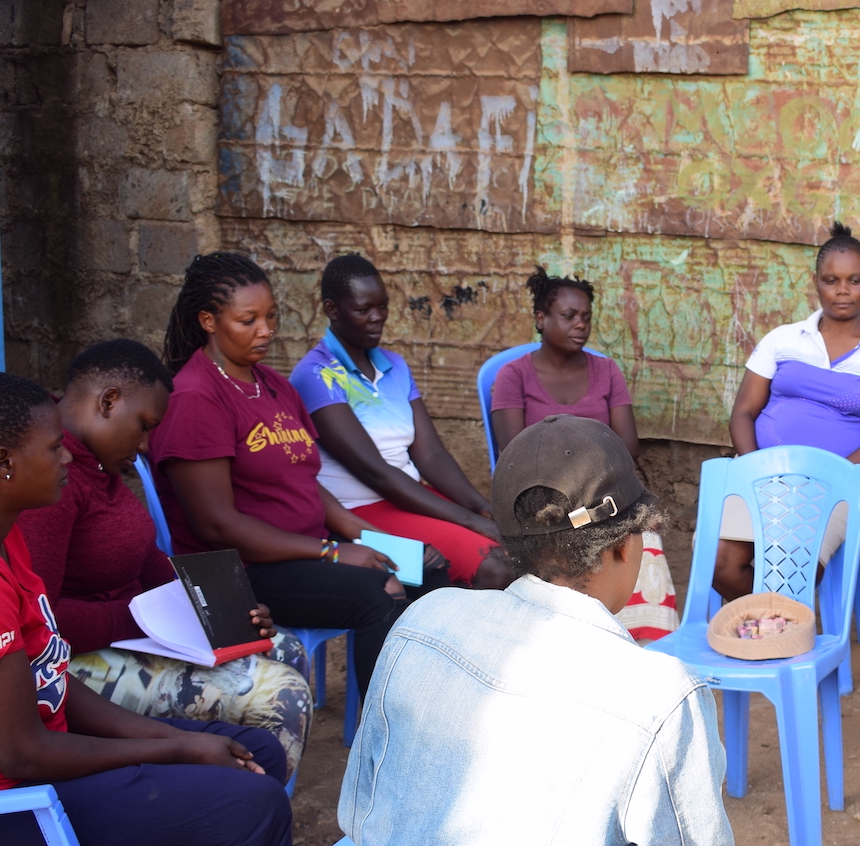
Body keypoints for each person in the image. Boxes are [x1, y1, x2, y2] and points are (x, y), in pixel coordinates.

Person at [338, 415, 757, 846]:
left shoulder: (422, 621)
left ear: (512, 545)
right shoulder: (660, 694)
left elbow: (357, 815)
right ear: (628, 547)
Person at [0, 372, 292, 846]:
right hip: (20, 817)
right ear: (4, 462)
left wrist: (170, 737)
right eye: (54, 448)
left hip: (44, 773)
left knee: (256, 754)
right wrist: (176, 746)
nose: (66, 459)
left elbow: (53, 685)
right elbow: (22, 752)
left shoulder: (10, 540)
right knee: (254, 805)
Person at [17, 340, 311, 776]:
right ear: (108, 402)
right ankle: (250, 806)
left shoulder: (98, 467)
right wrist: (151, 620)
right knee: (281, 693)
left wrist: (224, 612)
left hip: (129, 636)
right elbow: (45, 624)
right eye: (143, 426)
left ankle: (250, 798)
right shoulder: (52, 484)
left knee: (284, 648)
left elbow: (143, 560)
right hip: (77, 665)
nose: (144, 444)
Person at [149, 252, 405, 701]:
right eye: (248, 320)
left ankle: (424, 710)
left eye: (270, 316)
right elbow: (217, 525)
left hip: (308, 550)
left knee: (431, 569)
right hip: (247, 570)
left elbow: (305, 479)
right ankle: (383, 734)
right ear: (208, 320)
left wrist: (366, 536)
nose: (265, 330)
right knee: (380, 594)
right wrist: (331, 551)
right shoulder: (196, 398)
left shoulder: (272, 385)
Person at [716, 222, 860, 600]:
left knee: (794, 569)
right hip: (760, 476)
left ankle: (766, 630)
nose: (843, 290)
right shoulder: (782, 340)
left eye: (854, 280)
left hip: (832, 489)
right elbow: (744, 412)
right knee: (721, 561)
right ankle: (769, 624)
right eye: (831, 280)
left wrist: (829, 480)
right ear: (816, 282)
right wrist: (754, 468)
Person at [292, 253, 508, 589]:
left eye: (383, 306)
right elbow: (373, 471)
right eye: (363, 310)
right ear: (332, 310)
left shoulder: (394, 365)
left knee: (517, 549)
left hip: (409, 497)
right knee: (496, 565)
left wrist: (480, 508)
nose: (377, 318)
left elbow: (431, 454)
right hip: (361, 512)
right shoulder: (317, 375)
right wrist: (468, 520)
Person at [490, 265, 678, 641]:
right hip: (547, 508)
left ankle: (640, 651)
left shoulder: (606, 371)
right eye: (569, 316)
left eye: (586, 317)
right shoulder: (514, 376)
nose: (580, 325)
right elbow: (513, 453)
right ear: (541, 319)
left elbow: (629, 446)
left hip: (602, 500)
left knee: (646, 541)